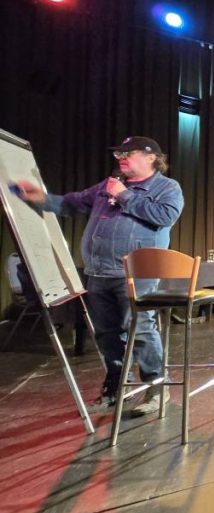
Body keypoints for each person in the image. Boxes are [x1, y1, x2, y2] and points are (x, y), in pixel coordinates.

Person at [16, 136, 184, 416]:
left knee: (141, 330)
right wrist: (40, 198)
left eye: (127, 152)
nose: (120, 156)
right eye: (118, 152)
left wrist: (124, 195)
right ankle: (116, 388)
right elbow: (72, 203)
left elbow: (165, 216)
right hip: (98, 272)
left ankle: (157, 387)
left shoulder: (166, 188)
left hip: (136, 274)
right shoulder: (107, 186)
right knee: (107, 334)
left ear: (151, 157)